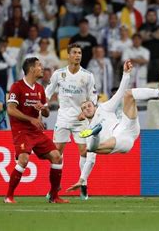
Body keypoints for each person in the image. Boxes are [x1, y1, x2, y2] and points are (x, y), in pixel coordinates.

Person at [65, 60, 159, 192]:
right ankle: (96, 134)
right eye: (84, 108)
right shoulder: (87, 131)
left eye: (89, 105)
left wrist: (126, 74)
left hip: (127, 127)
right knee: (91, 149)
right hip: (121, 140)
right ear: (82, 114)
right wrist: (82, 180)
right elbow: (90, 161)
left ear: (94, 105)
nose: (87, 108)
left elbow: (120, 93)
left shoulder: (104, 108)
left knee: (127, 94)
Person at [4, 57, 68, 203]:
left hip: (36, 132)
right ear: (32, 69)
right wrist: (31, 118)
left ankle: (54, 195)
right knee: (24, 159)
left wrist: (43, 108)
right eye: (39, 65)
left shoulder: (40, 89)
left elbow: (46, 113)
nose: (42, 68)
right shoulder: (17, 86)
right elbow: (11, 110)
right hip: (21, 131)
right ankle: (9, 196)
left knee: (57, 156)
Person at [45, 44, 98, 200]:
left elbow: (93, 98)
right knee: (56, 154)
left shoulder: (87, 76)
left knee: (84, 151)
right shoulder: (58, 74)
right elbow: (47, 93)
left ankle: (83, 184)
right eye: (74, 52)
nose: (78, 55)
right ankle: (54, 189)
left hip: (80, 119)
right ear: (68, 55)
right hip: (62, 118)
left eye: (80, 53)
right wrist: (42, 106)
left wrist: (86, 112)